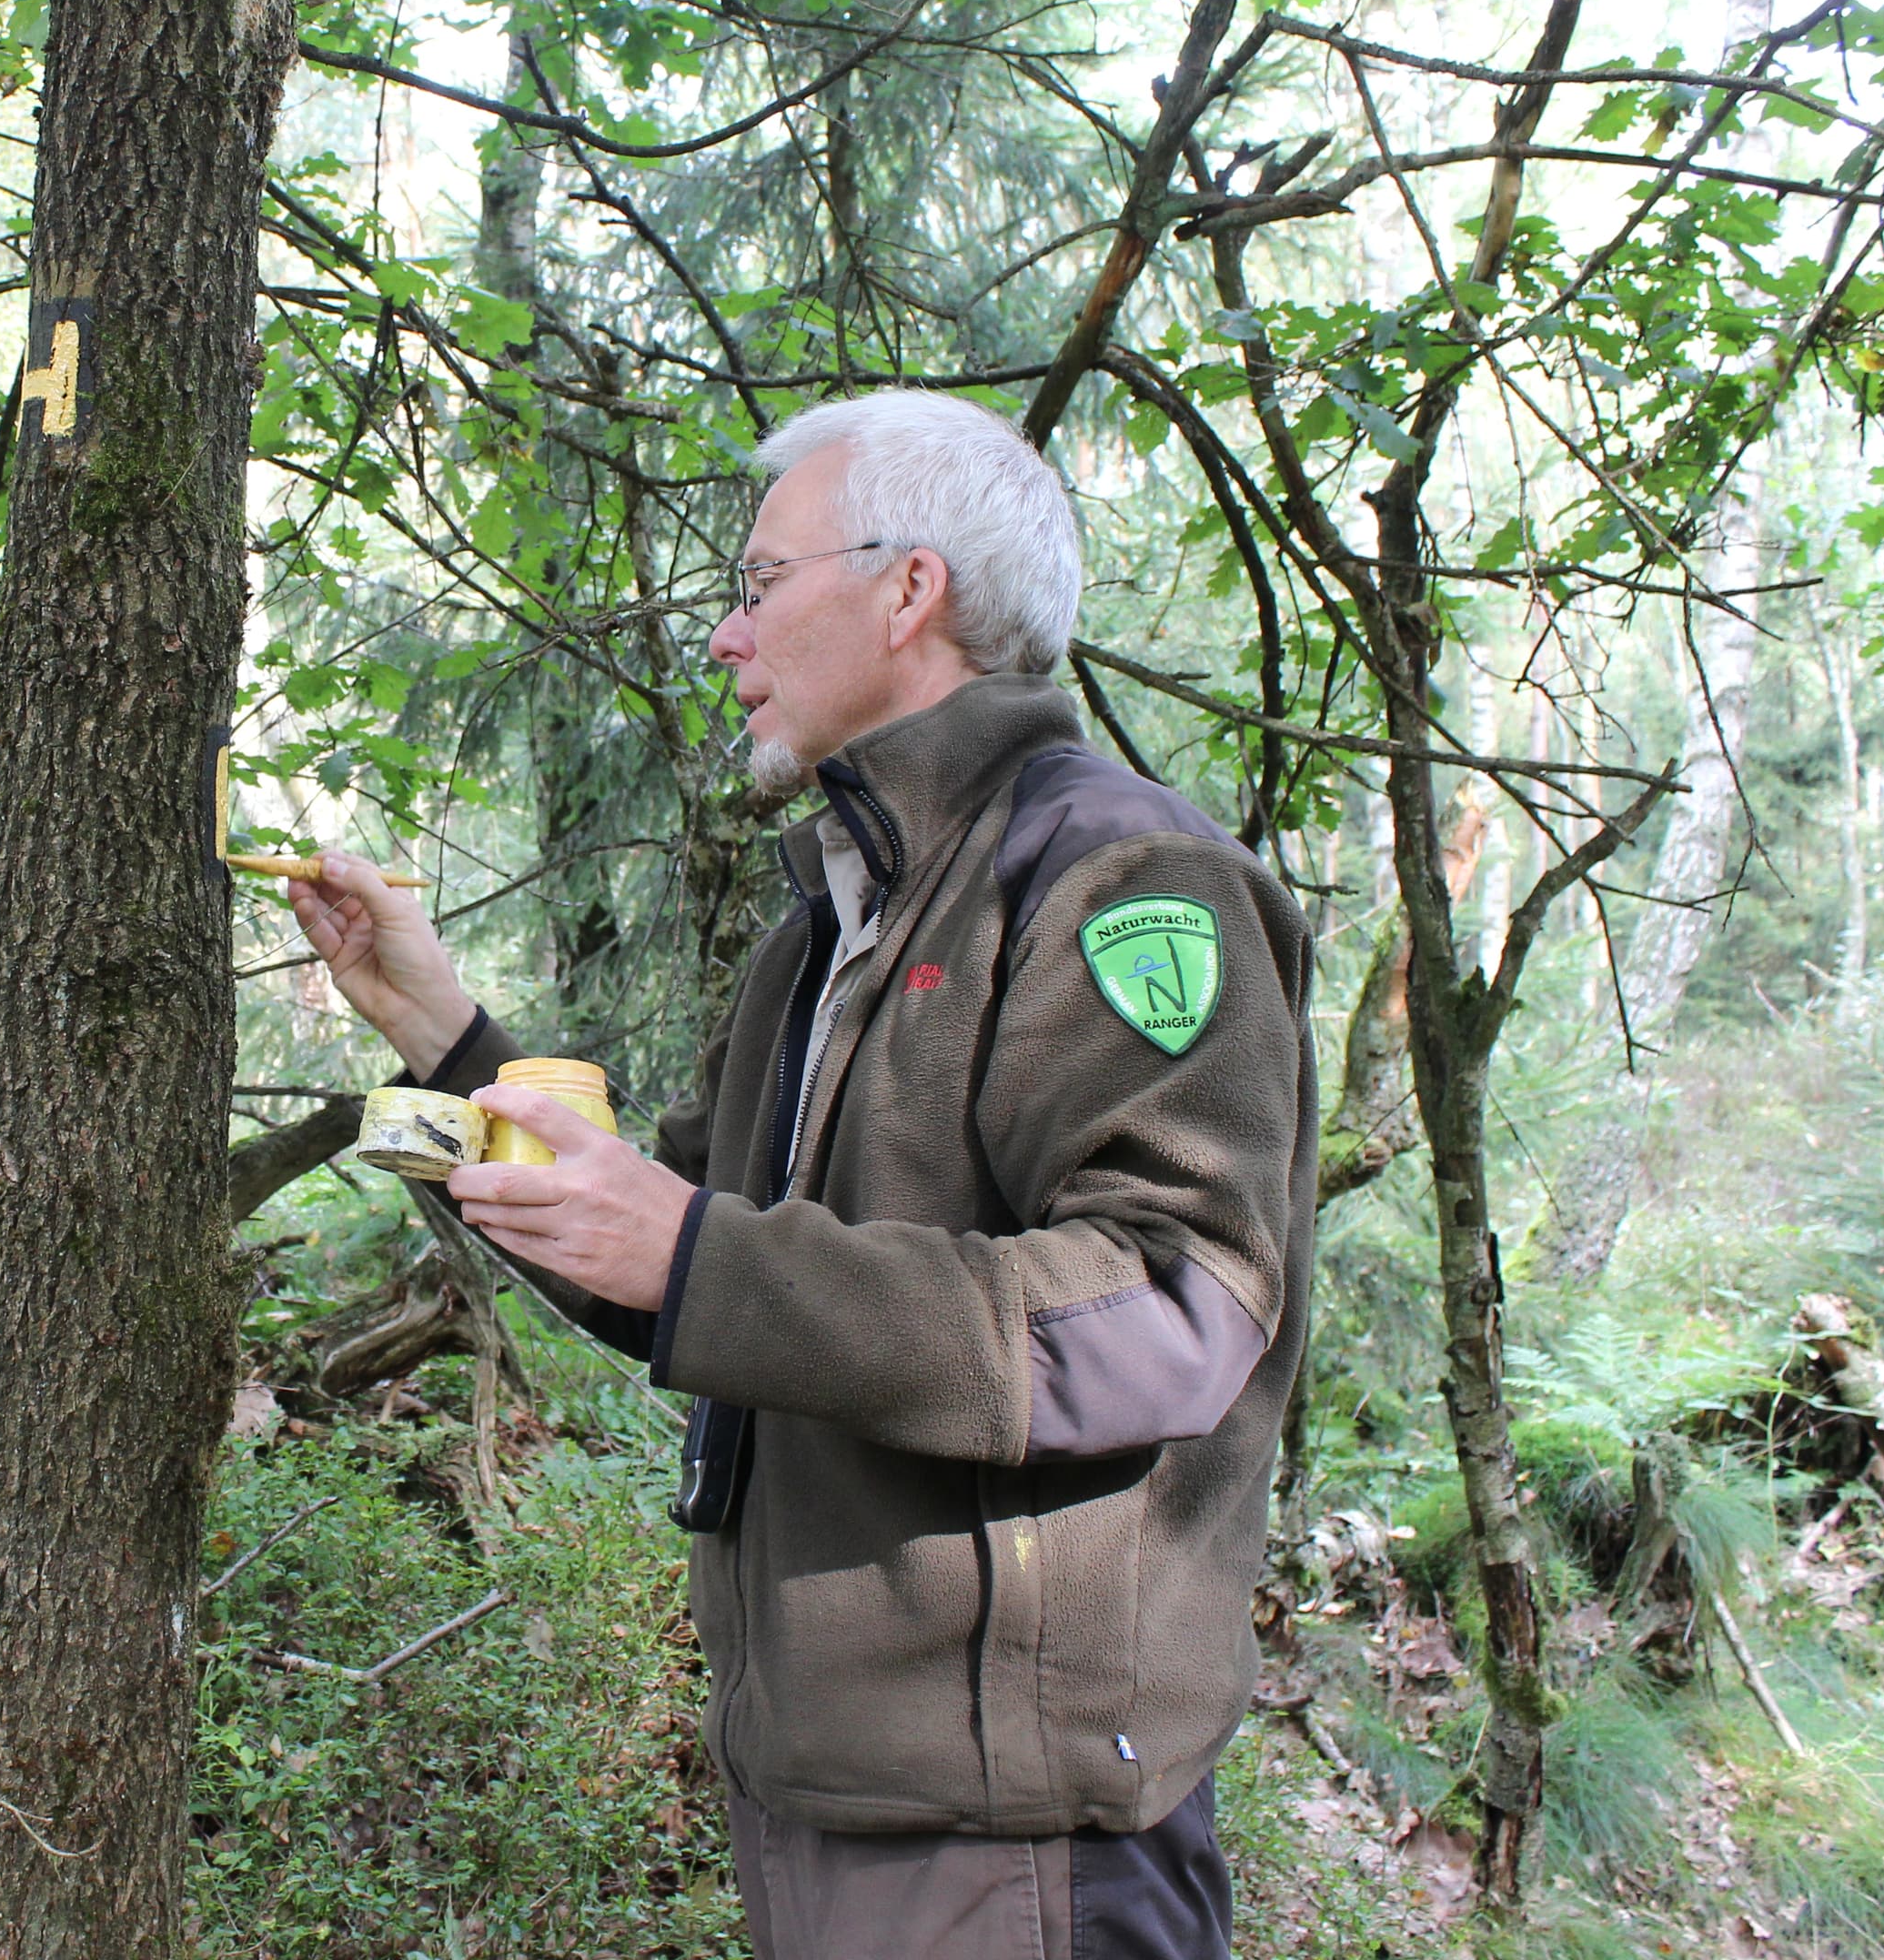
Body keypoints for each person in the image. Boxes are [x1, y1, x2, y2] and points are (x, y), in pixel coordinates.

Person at [288, 389, 1315, 1960]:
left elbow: (1171, 1308)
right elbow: (684, 1275)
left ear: (912, 592)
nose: (723, 635)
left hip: (1014, 1844)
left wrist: (700, 1255)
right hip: (823, 1793)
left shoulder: (1116, 877)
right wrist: (438, 1027)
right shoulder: (829, 929)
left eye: (760, 584)